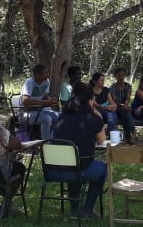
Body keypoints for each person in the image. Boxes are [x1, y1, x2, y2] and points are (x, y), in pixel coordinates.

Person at [47, 82, 107, 218]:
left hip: (55, 169)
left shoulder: (60, 117)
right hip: (79, 169)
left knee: (71, 160)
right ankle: (87, 209)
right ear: (90, 101)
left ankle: (75, 208)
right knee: (102, 169)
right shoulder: (92, 118)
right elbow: (101, 140)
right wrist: (95, 112)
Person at [21, 63, 60, 140]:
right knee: (46, 119)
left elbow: (45, 96)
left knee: (60, 116)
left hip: (40, 111)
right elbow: (25, 101)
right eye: (45, 73)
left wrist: (50, 100)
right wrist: (44, 103)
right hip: (26, 113)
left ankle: (53, 139)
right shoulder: (29, 82)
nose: (47, 74)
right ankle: (46, 144)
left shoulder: (46, 82)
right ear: (37, 74)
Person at [108, 67, 135, 143]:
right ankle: (130, 133)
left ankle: (128, 136)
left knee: (126, 114)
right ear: (115, 76)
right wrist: (123, 105)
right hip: (115, 108)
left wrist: (126, 103)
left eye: (122, 75)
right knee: (125, 112)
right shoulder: (112, 87)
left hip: (124, 109)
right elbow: (114, 100)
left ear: (125, 75)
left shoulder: (128, 86)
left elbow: (128, 98)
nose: (121, 77)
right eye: (119, 75)